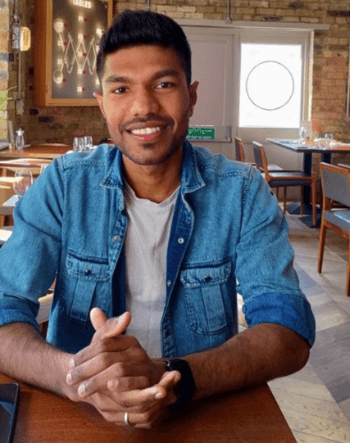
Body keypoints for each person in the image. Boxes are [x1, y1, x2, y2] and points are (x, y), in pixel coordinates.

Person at [0, 10, 315, 429]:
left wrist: (178, 377)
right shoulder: (63, 185)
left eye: (164, 84)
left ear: (192, 95)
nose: (144, 107)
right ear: (102, 104)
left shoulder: (241, 192)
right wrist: (76, 378)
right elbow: (4, 306)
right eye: (121, 89)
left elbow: (287, 328)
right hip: (80, 417)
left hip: (200, 411)